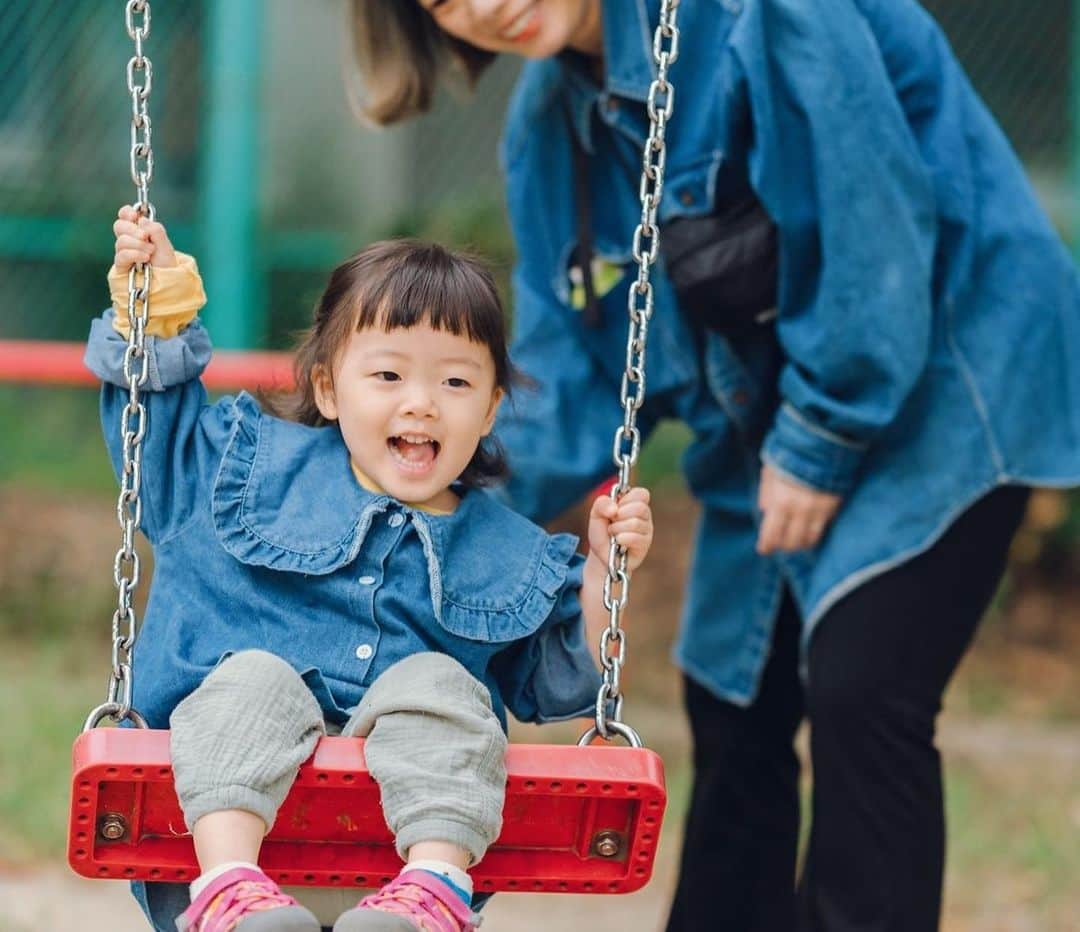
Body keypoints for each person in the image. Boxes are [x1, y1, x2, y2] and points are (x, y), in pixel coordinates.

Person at [348, 1, 1080, 930]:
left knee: (863, 690)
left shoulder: (758, 19)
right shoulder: (549, 130)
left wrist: (821, 436)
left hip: (949, 374)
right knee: (731, 700)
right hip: (761, 422)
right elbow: (570, 373)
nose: (488, 3)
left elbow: (873, 232)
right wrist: (435, 500)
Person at [85, 207, 655, 932]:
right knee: (252, 679)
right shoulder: (243, 474)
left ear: (489, 411)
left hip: (393, 864)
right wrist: (154, 306)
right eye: (387, 373)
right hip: (213, 842)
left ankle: (432, 889)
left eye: (455, 383)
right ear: (328, 389)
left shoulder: (507, 552)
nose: (419, 402)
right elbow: (152, 440)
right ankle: (231, 891)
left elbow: (566, 677)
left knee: (444, 689)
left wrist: (606, 573)